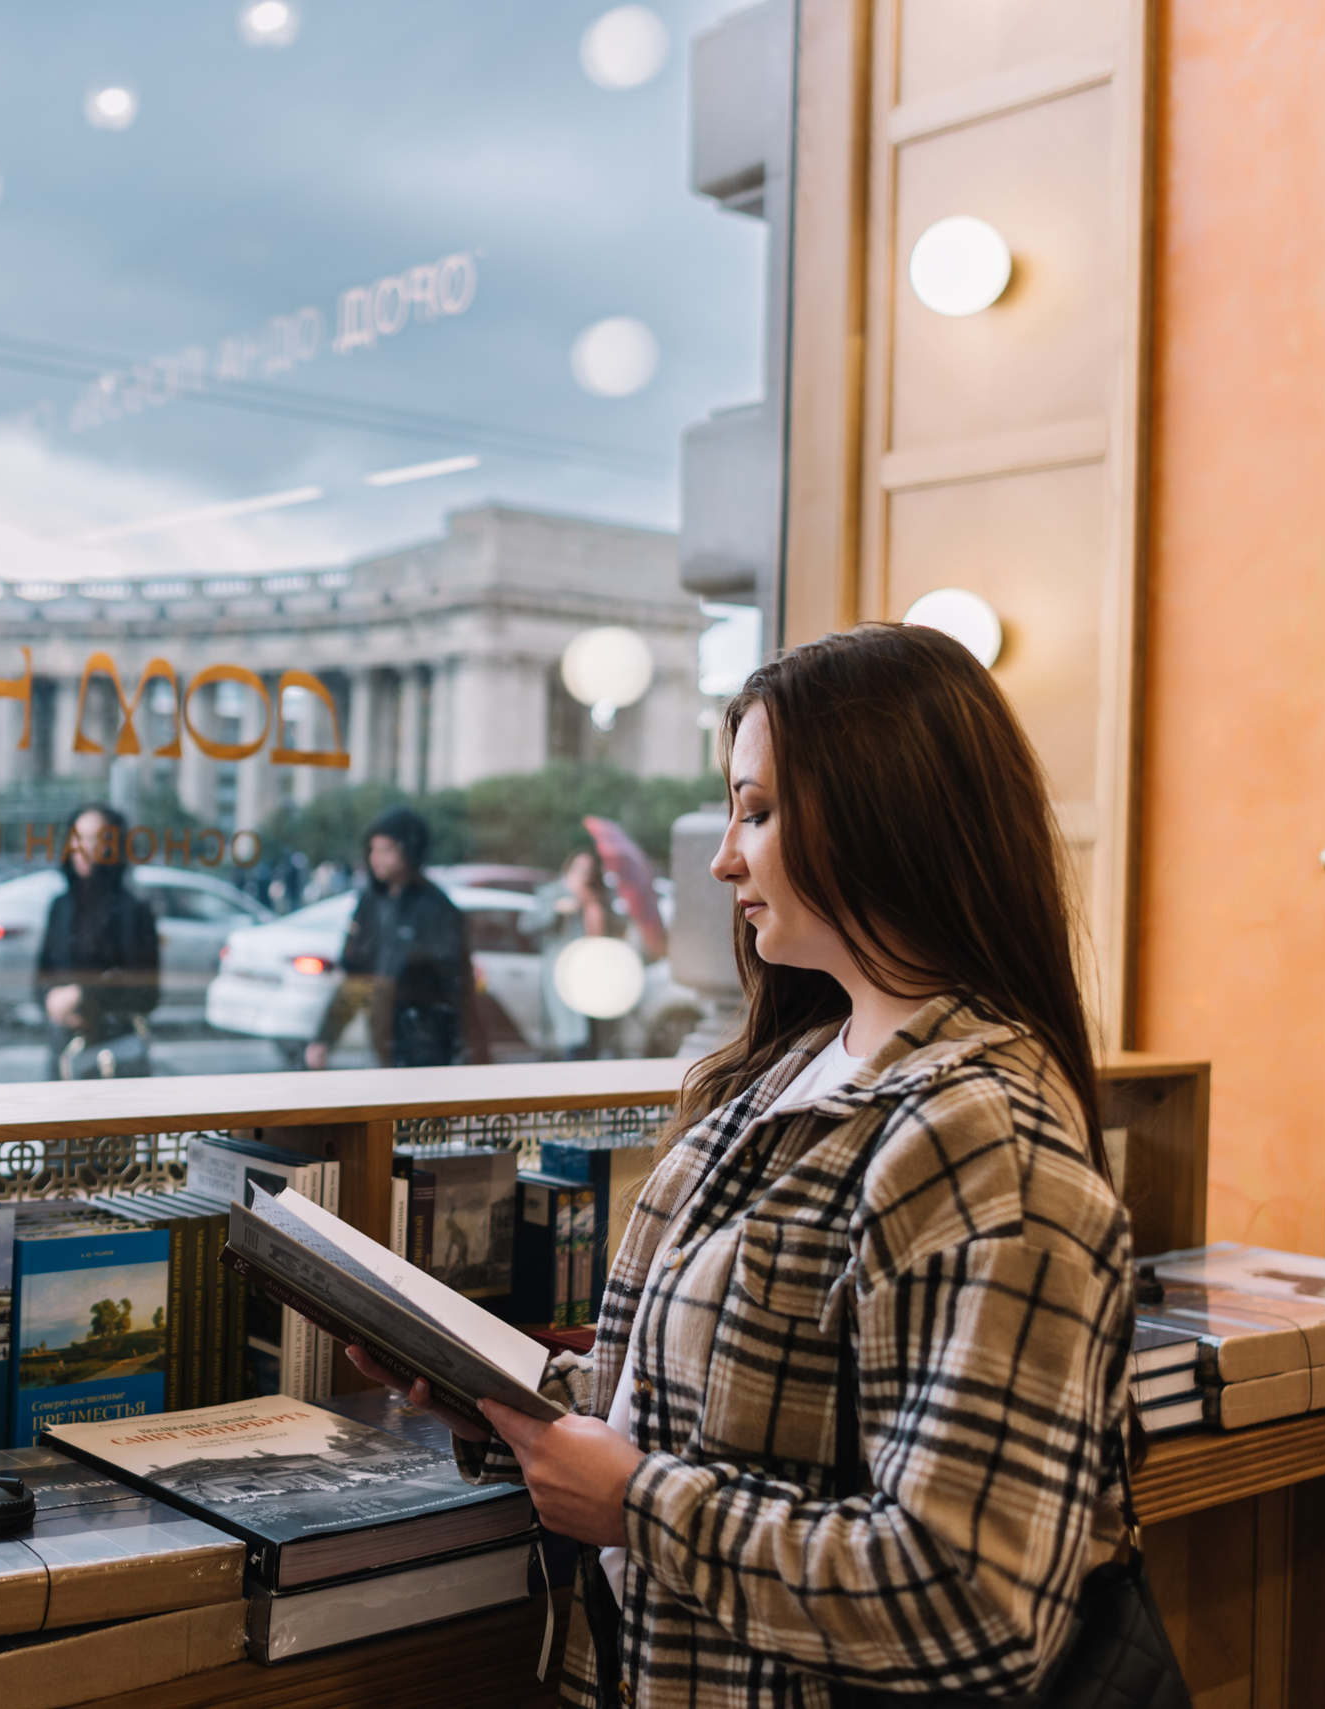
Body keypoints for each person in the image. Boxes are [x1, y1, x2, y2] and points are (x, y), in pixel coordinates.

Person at [351, 625, 1143, 1707]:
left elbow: (972, 1597)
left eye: (758, 811)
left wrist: (635, 1502)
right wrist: (502, 1403)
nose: (725, 855)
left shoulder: (982, 1141)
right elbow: (736, 1406)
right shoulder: (790, 1074)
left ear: (883, 815)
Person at [304, 805, 471, 1069]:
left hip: (430, 1047)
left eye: (386, 850)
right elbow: (356, 977)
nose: (376, 858)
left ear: (410, 851)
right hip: (385, 1045)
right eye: (373, 850)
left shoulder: (436, 907)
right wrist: (324, 1038)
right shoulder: (370, 901)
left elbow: (453, 983)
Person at [36, 803, 160, 1078]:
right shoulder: (61, 906)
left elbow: (146, 993)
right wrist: (51, 1000)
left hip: (115, 1057)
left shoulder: (133, 911)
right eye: (76, 837)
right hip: (64, 1052)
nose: (82, 847)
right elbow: (41, 976)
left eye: (94, 838)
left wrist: (83, 994)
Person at [523, 846, 628, 1060]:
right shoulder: (554, 893)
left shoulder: (600, 897)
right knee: (572, 1039)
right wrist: (557, 909)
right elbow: (527, 924)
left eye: (589, 871)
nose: (584, 875)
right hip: (567, 975)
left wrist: (597, 905)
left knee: (597, 1038)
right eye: (579, 869)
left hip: (596, 974)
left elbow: (617, 929)